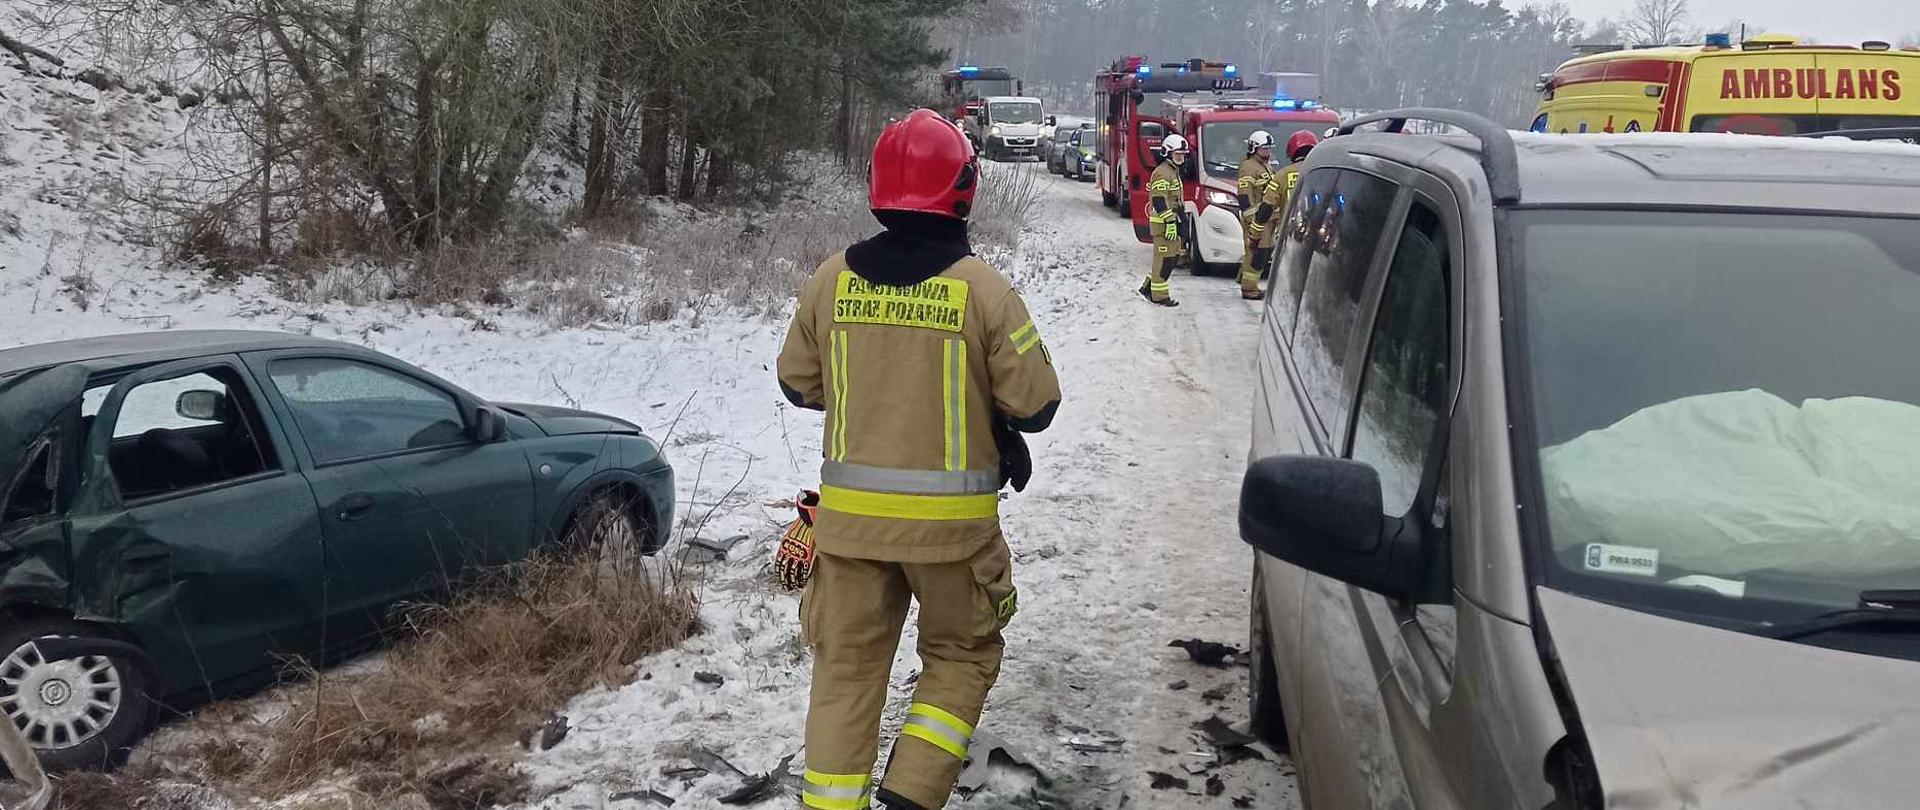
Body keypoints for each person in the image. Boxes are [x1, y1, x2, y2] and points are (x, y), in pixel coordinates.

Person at [776, 108, 1064, 810]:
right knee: (962, 656)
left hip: (849, 531)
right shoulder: (985, 291)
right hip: (953, 538)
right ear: (963, 188)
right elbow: (1036, 404)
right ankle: (912, 791)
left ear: (877, 186)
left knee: (845, 672)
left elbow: (798, 382)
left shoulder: (829, 280)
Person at [1139, 132, 1190, 307]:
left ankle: (1148, 287)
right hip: (1163, 225)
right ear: (1167, 153)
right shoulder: (1162, 173)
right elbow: (1159, 200)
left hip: (1172, 222)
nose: (1181, 157)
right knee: (1164, 261)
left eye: (1183, 154)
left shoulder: (1173, 171)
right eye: (1178, 154)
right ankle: (1159, 296)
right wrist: (1170, 222)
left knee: (1171, 258)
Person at [1255, 130, 1320, 253]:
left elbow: (1266, 208)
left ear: (1292, 152)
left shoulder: (1282, 175)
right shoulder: (1323, 173)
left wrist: (1254, 235)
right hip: (1317, 237)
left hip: (1288, 237)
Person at [1235, 130, 1277, 300]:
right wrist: (1252, 220)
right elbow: (1244, 195)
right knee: (1257, 252)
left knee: (1264, 251)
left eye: (1268, 148)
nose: (1267, 152)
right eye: (1263, 149)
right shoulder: (1248, 167)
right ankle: (1249, 289)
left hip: (1268, 218)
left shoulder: (1266, 166)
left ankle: (1244, 278)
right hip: (1257, 219)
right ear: (1254, 149)